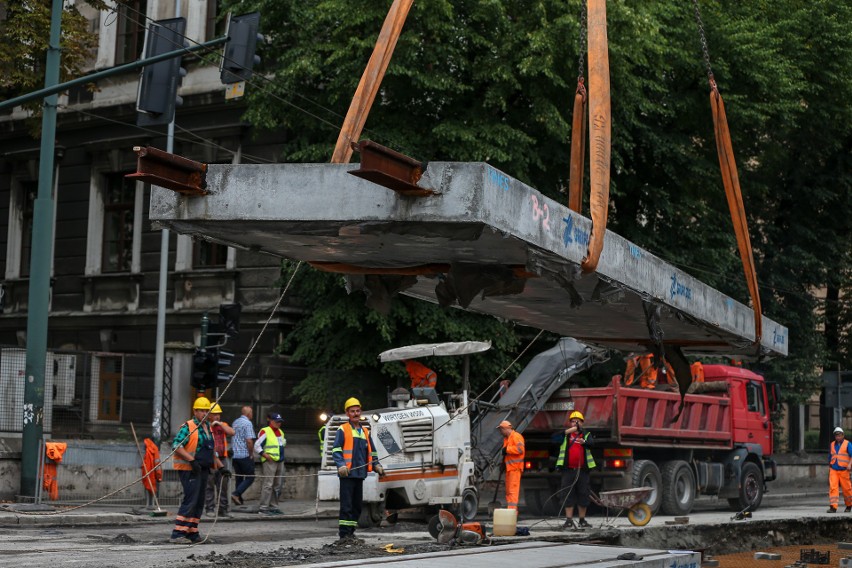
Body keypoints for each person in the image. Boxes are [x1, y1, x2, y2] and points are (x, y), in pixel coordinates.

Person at [332, 397, 384, 541]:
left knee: (356, 507)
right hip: (347, 474)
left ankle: (351, 533)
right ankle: (344, 535)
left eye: (357, 411)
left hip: (360, 475)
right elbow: (336, 449)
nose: (355, 413)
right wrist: (341, 465)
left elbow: (372, 452)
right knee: (346, 506)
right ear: (347, 413)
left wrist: (376, 465)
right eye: (352, 411)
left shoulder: (365, 432)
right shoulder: (343, 429)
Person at [169, 396, 216, 544]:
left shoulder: (208, 428)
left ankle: (192, 532)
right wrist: (192, 460)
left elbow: (211, 451)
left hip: (203, 470)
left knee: (199, 501)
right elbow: (176, 445)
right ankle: (178, 534)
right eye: (201, 411)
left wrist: (221, 467)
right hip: (189, 469)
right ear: (195, 411)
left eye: (206, 411)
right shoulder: (188, 427)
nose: (204, 413)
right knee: (191, 499)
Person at [556, 410, 595, 529]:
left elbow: (592, 444)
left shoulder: (586, 434)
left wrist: (584, 442)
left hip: (582, 471)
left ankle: (582, 520)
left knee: (583, 494)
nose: (575, 423)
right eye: (573, 421)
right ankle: (569, 520)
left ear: (582, 423)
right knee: (567, 494)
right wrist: (567, 432)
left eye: (577, 421)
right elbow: (553, 439)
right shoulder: (565, 435)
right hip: (568, 471)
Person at [205, 403, 235, 517]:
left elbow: (232, 432)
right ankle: (210, 508)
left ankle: (223, 509)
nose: (217, 416)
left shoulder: (223, 425)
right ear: (209, 415)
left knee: (223, 484)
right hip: (211, 459)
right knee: (210, 484)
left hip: (223, 458)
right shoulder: (206, 426)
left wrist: (220, 424)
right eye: (215, 414)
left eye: (218, 414)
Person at [254, 412, 286, 514]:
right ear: (271, 421)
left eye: (280, 422)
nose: (279, 424)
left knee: (277, 485)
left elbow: (282, 444)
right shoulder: (265, 431)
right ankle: (263, 507)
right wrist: (264, 454)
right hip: (270, 461)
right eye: (277, 422)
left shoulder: (280, 432)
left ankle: (273, 506)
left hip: (279, 461)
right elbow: (257, 445)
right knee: (268, 484)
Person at [230, 405, 256, 506]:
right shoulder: (248, 423)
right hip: (244, 454)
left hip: (235, 455)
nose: (252, 414)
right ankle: (236, 494)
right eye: (252, 412)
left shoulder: (235, 422)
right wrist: (251, 454)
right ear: (249, 414)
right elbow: (249, 441)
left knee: (239, 477)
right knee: (251, 477)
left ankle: (239, 500)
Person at [497, 420, 525, 510]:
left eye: (501, 430)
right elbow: (507, 455)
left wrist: (507, 449)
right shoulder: (507, 439)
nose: (500, 432)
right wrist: (503, 464)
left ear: (505, 429)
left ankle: (512, 512)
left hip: (515, 468)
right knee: (509, 492)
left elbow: (520, 450)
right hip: (510, 469)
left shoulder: (516, 436)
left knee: (513, 492)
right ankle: (511, 511)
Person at [828, 426, 852, 513]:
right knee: (833, 488)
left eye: (839, 435)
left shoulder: (847, 444)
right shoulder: (832, 444)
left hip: (844, 470)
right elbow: (830, 457)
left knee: (847, 489)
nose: (838, 437)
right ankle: (833, 507)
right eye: (836, 436)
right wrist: (830, 467)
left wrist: (849, 464)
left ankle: (849, 505)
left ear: (843, 435)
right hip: (834, 469)